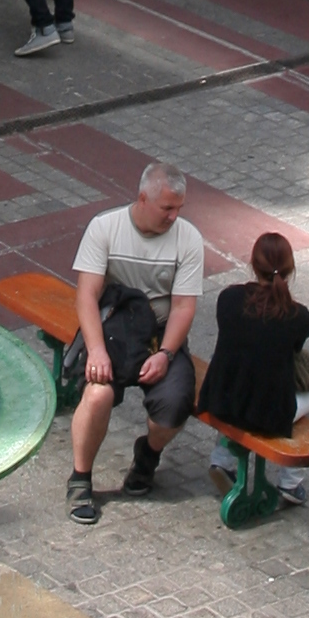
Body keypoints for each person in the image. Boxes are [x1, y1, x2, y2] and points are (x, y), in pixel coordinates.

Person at [64, 161, 204, 520]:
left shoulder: (188, 239)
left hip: (159, 335)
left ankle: (148, 456)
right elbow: (86, 296)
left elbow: (184, 307)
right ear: (143, 199)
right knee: (97, 394)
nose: (174, 217)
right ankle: (80, 479)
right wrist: (96, 350)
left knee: (176, 404)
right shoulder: (105, 228)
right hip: (113, 329)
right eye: (167, 208)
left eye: (179, 208)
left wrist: (167, 354)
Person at [196, 231, 309, 510]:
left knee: (238, 374)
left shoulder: (228, 298)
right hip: (266, 415)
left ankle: (222, 460)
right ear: (290, 270)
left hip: (220, 399)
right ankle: (290, 482)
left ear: (252, 264)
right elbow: (293, 353)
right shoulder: (299, 317)